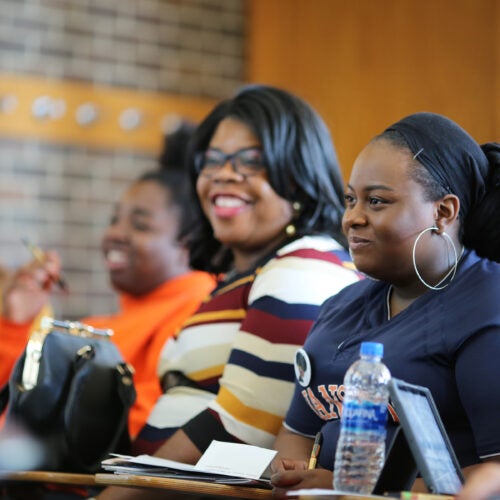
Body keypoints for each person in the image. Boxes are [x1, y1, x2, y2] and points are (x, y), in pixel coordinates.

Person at [95, 84, 361, 499]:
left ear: (298, 172)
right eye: (212, 161)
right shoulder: (253, 271)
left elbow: (244, 429)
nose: (224, 173)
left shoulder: (305, 266)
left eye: (251, 162)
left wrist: (119, 495)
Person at [270, 112, 500, 496]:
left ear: (443, 212)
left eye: (376, 201)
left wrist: (358, 491)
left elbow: (494, 475)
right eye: (350, 199)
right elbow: (295, 435)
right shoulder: (340, 306)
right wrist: (290, 477)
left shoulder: (486, 305)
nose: (352, 219)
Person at [0, 168, 216, 438]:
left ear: (187, 242)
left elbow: (150, 424)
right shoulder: (99, 327)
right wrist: (16, 322)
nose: (114, 233)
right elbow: (15, 401)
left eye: (140, 225)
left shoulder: (200, 310)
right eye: (114, 220)